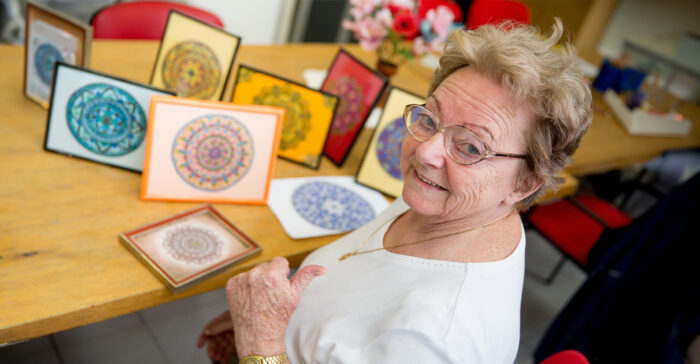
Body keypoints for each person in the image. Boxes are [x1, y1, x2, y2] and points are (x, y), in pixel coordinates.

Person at [197, 18, 592, 363]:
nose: (426, 151)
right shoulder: (455, 206)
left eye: (470, 146)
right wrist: (270, 317)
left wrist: (261, 342)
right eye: (430, 118)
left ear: (524, 183)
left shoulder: (430, 340)